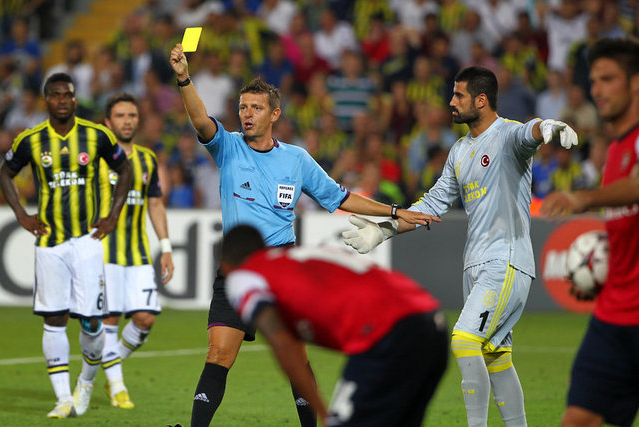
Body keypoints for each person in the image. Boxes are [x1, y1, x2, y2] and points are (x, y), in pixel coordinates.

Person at [168, 43, 437, 427]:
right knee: (218, 354)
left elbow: (341, 198)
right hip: (237, 269)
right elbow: (199, 121)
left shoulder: (296, 159)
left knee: (296, 359)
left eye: (256, 108)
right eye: (243, 107)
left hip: (282, 268)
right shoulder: (227, 147)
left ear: (274, 114)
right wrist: (184, 78)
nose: (247, 114)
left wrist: (394, 211)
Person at [342, 66, 578, 427]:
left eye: (459, 95)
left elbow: (527, 134)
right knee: (496, 357)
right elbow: (433, 204)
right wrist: (384, 230)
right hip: (476, 264)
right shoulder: (459, 151)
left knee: (464, 340)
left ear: (481, 100)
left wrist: (546, 126)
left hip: (505, 260)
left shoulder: (506, 135)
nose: (451, 102)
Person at [0, 73, 132, 418]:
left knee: (91, 321)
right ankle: (62, 399)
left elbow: (125, 169)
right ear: (47, 100)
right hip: (50, 242)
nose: (62, 100)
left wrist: (113, 215)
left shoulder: (96, 135)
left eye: (67, 95)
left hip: (87, 240)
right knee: (54, 318)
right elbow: (5, 173)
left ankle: (85, 383)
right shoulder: (31, 139)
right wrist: (22, 215)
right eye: (55, 95)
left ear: (75, 99)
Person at [222, 224, 448, 427]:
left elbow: (281, 342)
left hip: (387, 335)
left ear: (226, 266)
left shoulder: (244, 275)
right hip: (433, 322)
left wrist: (323, 414)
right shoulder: (296, 257)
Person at [541, 38, 639, 427]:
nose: (597, 89)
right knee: (577, 418)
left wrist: (584, 198)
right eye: (594, 80)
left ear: (635, 82)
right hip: (614, 316)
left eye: (608, 79)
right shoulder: (614, 151)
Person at [98, 93, 175, 409]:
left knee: (145, 318)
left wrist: (166, 247)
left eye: (131, 115)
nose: (127, 121)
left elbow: (155, 203)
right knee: (110, 318)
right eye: (120, 115)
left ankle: (110, 365)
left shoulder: (147, 159)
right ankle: (117, 385)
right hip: (104, 251)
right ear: (108, 122)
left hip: (138, 253)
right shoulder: (96, 158)